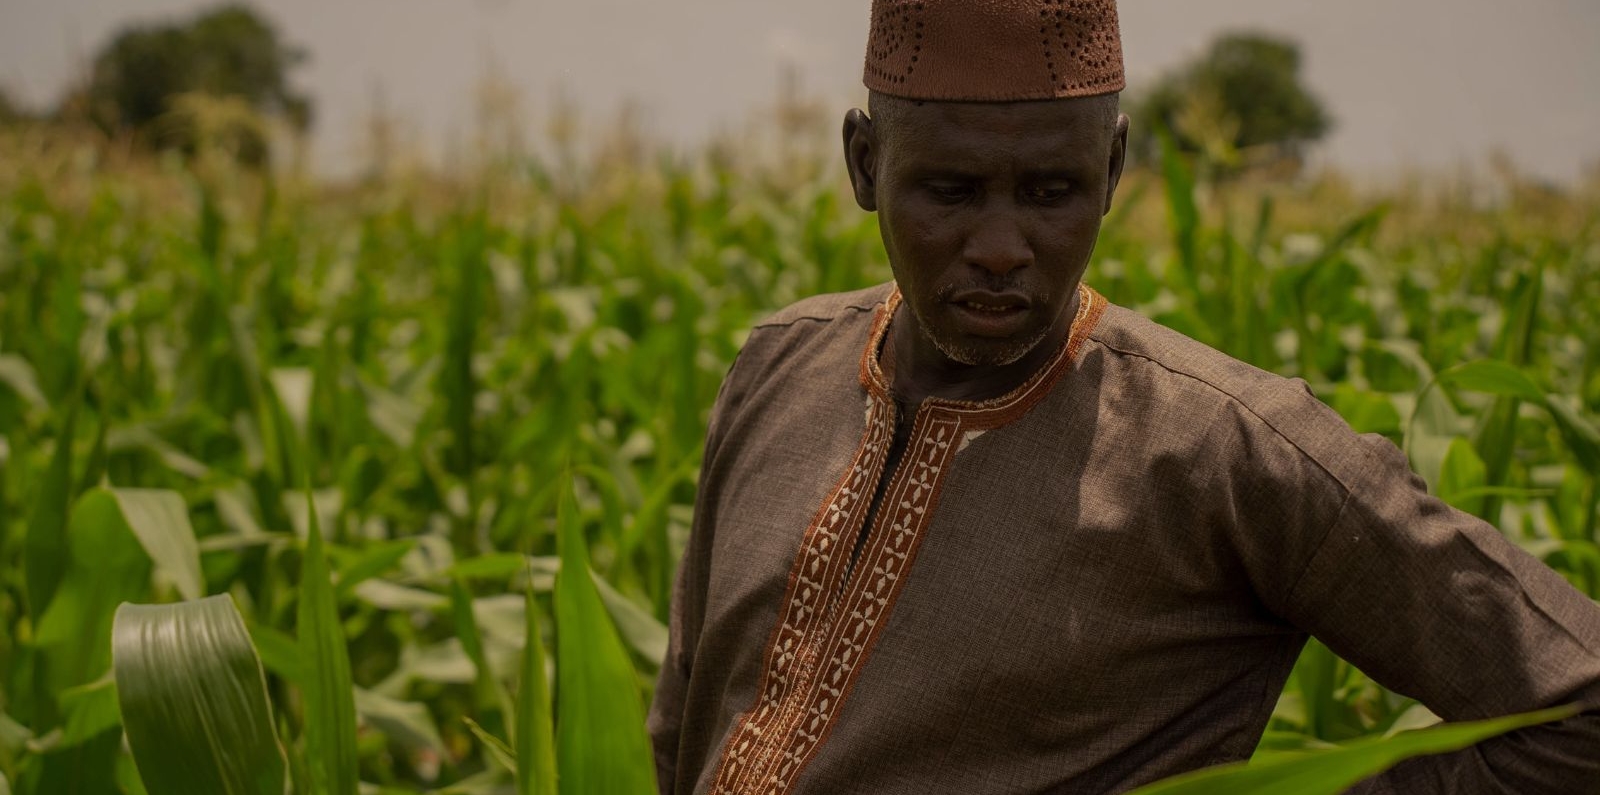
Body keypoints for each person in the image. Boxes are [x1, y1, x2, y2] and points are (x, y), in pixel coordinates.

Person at [646, 1, 1600, 792]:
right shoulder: (777, 369)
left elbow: (1579, 707)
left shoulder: (1226, 450)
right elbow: (683, 724)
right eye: (950, 189)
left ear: (1111, 170)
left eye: (1052, 190)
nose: (1002, 245)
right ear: (864, 164)